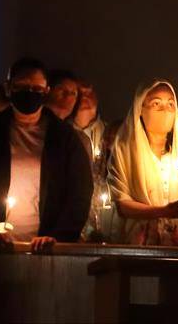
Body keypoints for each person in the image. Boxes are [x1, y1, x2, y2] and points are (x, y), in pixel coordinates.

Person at [0, 57, 93, 249]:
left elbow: (79, 193)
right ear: (8, 88)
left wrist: (57, 237)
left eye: (37, 89)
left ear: (46, 92)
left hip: (45, 248)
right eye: (22, 86)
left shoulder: (66, 139)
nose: (29, 93)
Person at [107, 79, 178, 246]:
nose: (165, 109)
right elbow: (121, 204)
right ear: (140, 109)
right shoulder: (125, 151)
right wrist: (161, 212)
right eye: (156, 103)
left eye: (171, 104)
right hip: (142, 245)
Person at [71, 80, 109, 240]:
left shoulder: (112, 134)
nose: (84, 98)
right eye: (79, 93)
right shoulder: (61, 137)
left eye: (89, 93)